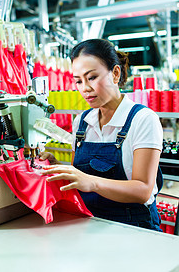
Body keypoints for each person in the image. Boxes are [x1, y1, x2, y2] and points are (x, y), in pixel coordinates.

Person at [40, 39, 163, 231]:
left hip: (133, 226)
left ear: (115, 73)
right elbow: (83, 174)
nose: (85, 88)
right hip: (90, 221)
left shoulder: (143, 119)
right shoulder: (82, 122)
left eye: (92, 77)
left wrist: (92, 183)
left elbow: (143, 190)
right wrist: (59, 168)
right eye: (78, 81)